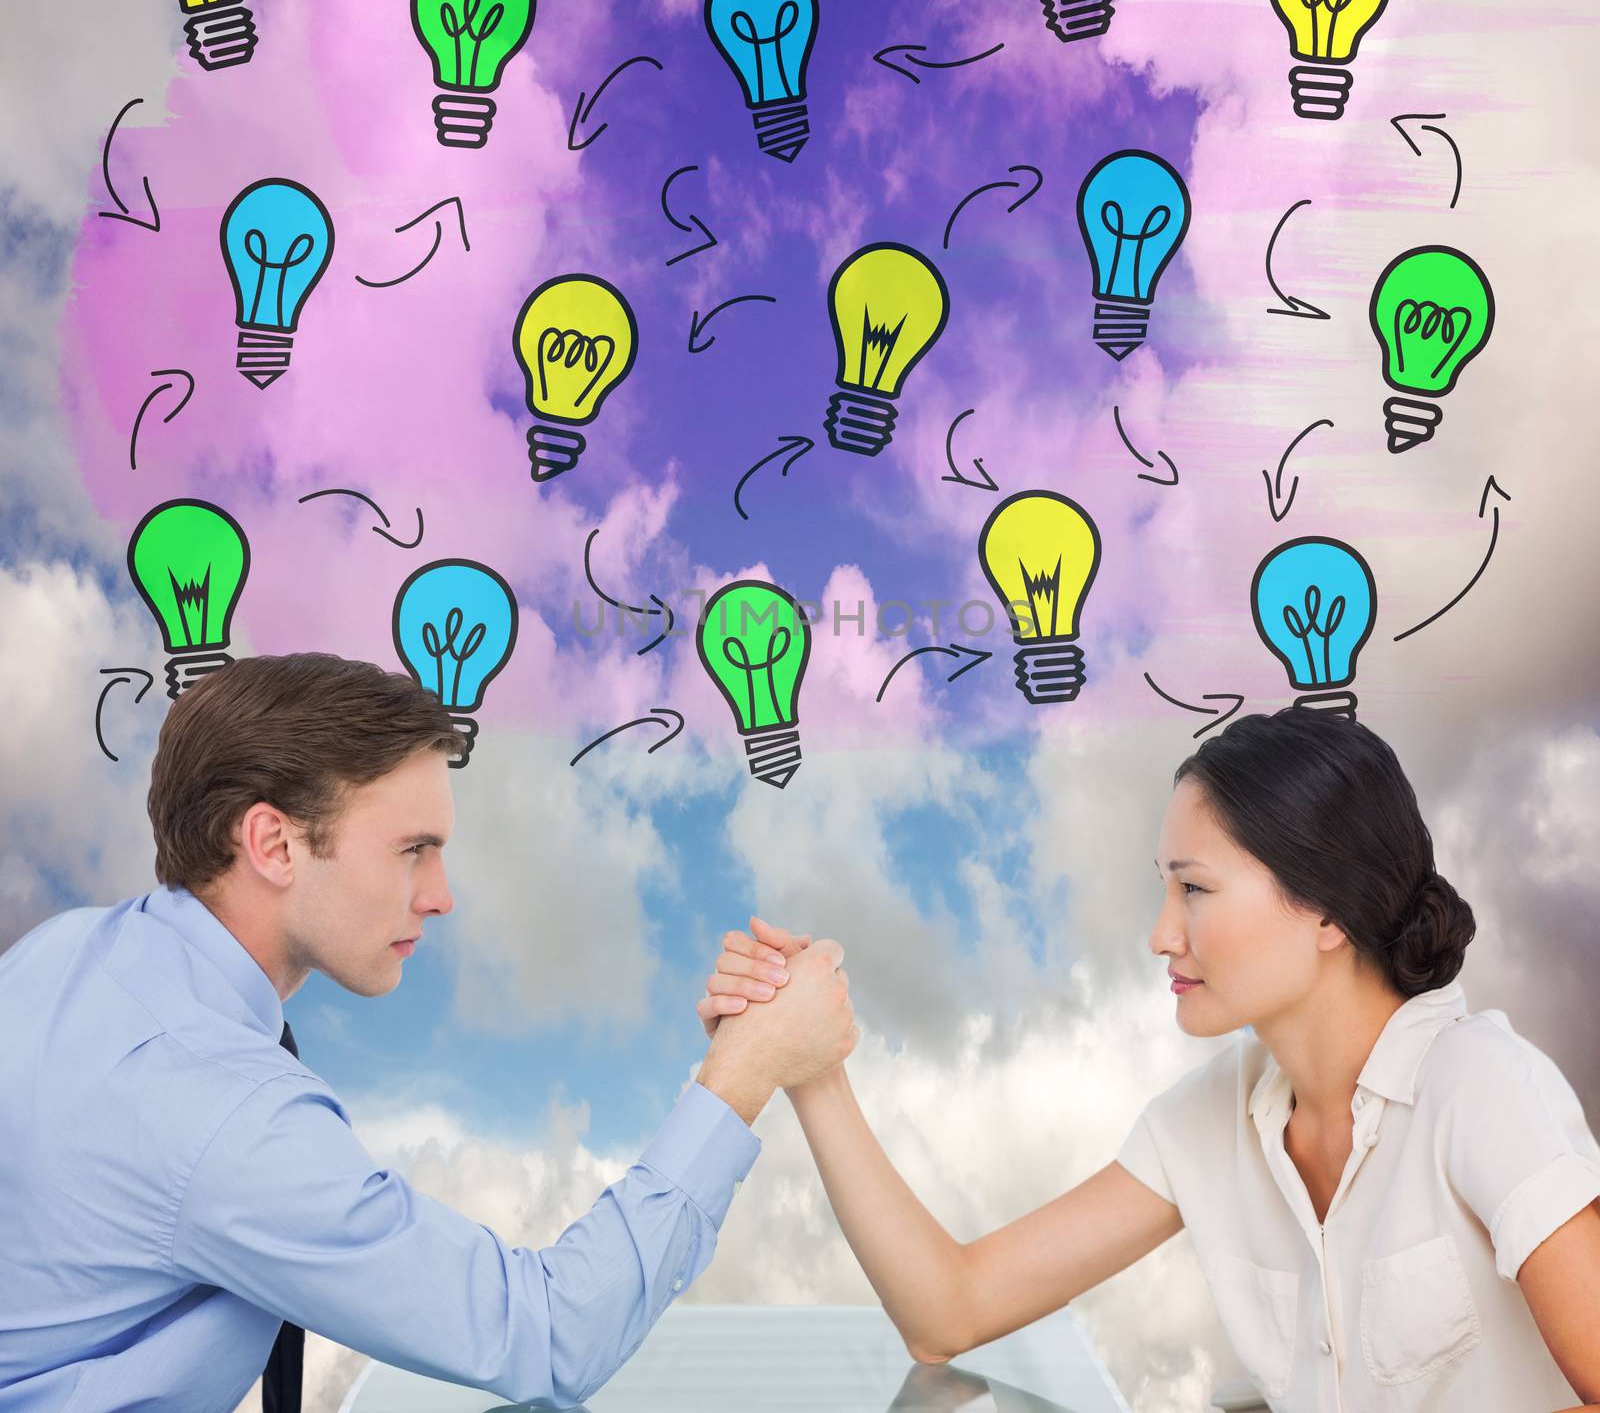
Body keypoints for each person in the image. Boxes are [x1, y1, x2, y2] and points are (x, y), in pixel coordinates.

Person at [0, 652, 856, 1413]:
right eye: (412, 849)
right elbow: (549, 1335)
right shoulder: (223, 1110)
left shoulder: (64, 953)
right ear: (272, 843)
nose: (441, 894)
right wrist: (742, 1073)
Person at [702, 708, 1600, 1410]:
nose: (1161, 934)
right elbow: (949, 1313)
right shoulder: (1206, 1122)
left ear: (1330, 909)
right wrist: (809, 1069)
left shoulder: (1480, 1087)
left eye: (1195, 889)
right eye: (1163, 889)